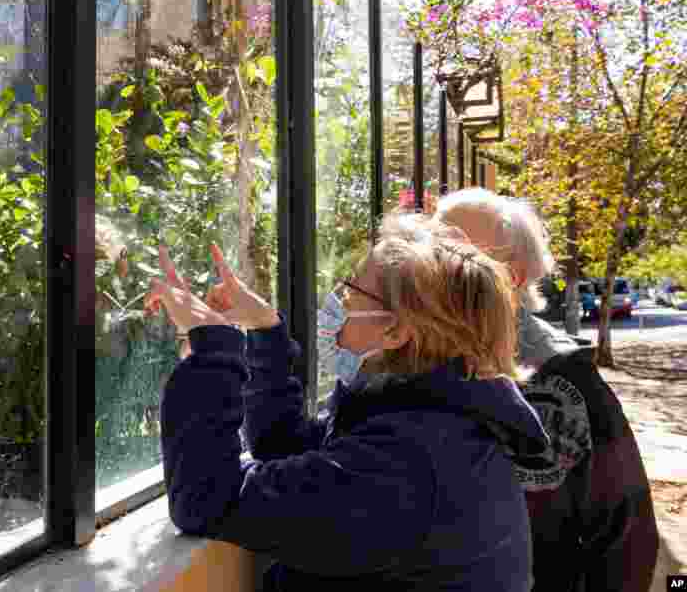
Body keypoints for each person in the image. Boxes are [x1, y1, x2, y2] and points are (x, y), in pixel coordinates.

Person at [146, 213, 548, 591]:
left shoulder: (407, 467)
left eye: (351, 291)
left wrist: (213, 352)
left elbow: (206, 500)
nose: (337, 303)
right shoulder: (429, 419)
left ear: (394, 330)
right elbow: (287, 450)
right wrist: (265, 333)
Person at [434, 187, 659, 592]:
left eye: (454, 255)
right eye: (428, 249)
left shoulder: (564, 380)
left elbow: (625, 534)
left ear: (513, 277)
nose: (427, 268)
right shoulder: (410, 361)